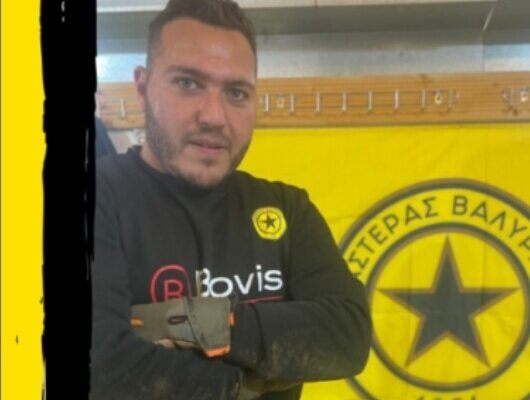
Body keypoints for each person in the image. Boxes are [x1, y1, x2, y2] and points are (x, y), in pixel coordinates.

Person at [90, 0, 372, 399]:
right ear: (142, 87)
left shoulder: (289, 209)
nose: (214, 117)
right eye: (188, 83)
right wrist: (244, 384)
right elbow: (100, 365)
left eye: (236, 92)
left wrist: (179, 323)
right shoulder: (99, 198)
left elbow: (348, 336)